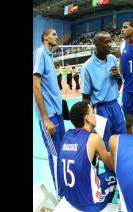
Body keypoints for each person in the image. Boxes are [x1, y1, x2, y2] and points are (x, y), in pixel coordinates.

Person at [57, 102, 116, 212]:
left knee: (89, 167)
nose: (95, 115)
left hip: (70, 199)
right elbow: (112, 166)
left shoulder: (67, 135)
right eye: (93, 113)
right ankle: (111, 206)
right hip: (91, 204)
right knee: (116, 175)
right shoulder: (94, 139)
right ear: (87, 119)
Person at [81, 31, 126, 149]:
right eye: (106, 42)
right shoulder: (87, 67)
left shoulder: (112, 59)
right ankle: (109, 167)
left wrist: (118, 77)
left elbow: (119, 83)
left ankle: (119, 165)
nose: (110, 44)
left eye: (110, 41)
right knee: (105, 141)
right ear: (97, 44)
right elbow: (85, 97)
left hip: (115, 105)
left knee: (121, 137)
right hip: (101, 109)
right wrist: (88, 118)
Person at [33, 28, 66, 193]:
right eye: (54, 34)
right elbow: (36, 86)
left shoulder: (49, 56)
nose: (57, 36)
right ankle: (60, 194)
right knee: (55, 156)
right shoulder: (39, 53)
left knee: (62, 153)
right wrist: (46, 118)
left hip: (58, 114)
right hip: (49, 117)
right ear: (45, 37)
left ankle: (65, 189)